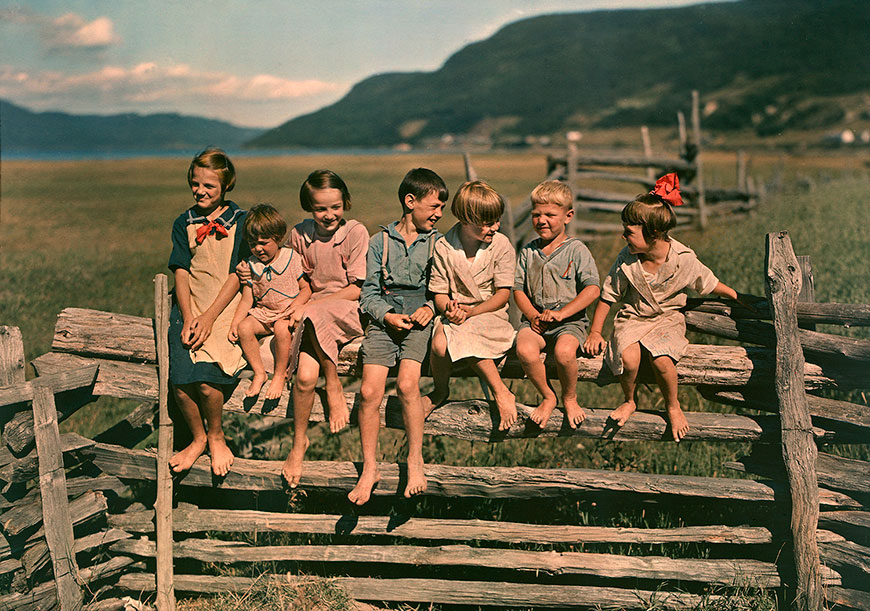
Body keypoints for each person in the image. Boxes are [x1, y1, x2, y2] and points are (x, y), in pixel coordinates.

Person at [583, 173, 744, 442]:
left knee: (662, 360)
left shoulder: (683, 259)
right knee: (629, 358)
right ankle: (629, 400)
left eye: (630, 232)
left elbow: (708, 281)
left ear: (654, 233)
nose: (624, 237)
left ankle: (673, 405)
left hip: (666, 318)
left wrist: (735, 295)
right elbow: (608, 296)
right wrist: (596, 332)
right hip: (633, 317)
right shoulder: (627, 260)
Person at [348, 168, 448, 505]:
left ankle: (415, 460)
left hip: (419, 319)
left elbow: (443, 289)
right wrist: (386, 316)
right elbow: (368, 293)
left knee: (408, 384)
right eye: (433, 207)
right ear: (410, 201)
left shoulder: (438, 243)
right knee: (368, 390)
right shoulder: (380, 243)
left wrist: (431, 309)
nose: (437, 215)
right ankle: (370, 467)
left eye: (441, 210)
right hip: (384, 320)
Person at [281, 170, 369, 487]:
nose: (329, 215)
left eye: (335, 207)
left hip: (348, 309)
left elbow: (358, 288)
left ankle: (333, 386)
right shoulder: (299, 235)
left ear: (344, 202)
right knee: (304, 378)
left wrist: (313, 306)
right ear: (309, 207)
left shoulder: (356, 232)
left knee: (314, 317)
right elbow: (296, 280)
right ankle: (298, 442)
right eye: (320, 209)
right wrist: (302, 304)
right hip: (311, 313)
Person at [167, 147, 249, 477]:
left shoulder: (240, 221)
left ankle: (216, 435)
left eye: (209, 187)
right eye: (196, 184)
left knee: (206, 380)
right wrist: (188, 317)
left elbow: (235, 272)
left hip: (224, 307)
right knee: (182, 377)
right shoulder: (183, 223)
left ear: (226, 187)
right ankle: (198, 438)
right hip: (191, 305)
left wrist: (210, 317)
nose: (201, 191)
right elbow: (181, 271)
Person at [427, 180, 517, 432]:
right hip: (456, 314)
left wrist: (473, 312)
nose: (495, 227)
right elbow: (440, 292)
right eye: (488, 223)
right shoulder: (444, 247)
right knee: (438, 344)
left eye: (497, 221)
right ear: (466, 220)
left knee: (468, 334)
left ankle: (501, 393)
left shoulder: (500, 245)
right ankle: (441, 390)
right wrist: (449, 309)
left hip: (489, 312)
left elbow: (502, 294)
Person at [513, 180, 600, 428]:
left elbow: (593, 289)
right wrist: (531, 316)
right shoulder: (528, 252)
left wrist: (563, 314)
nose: (542, 220)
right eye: (536, 214)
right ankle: (548, 396)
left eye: (550, 214)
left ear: (568, 216)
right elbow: (518, 289)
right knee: (525, 350)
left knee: (563, 353)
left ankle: (569, 397)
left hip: (569, 322)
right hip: (536, 321)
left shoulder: (576, 250)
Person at [228, 203, 310, 401]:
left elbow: (306, 288)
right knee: (245, 328)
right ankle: (259, 372)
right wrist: (235, 323)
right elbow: (248, 297)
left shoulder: (291, 258)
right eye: (252, 244)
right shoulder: (251, 265)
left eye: (263, 243)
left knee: (282, 330)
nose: (258, 249)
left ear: (278, 238)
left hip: (287, 313)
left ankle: (280, 374)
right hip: (264, 313)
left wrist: (297, 305)